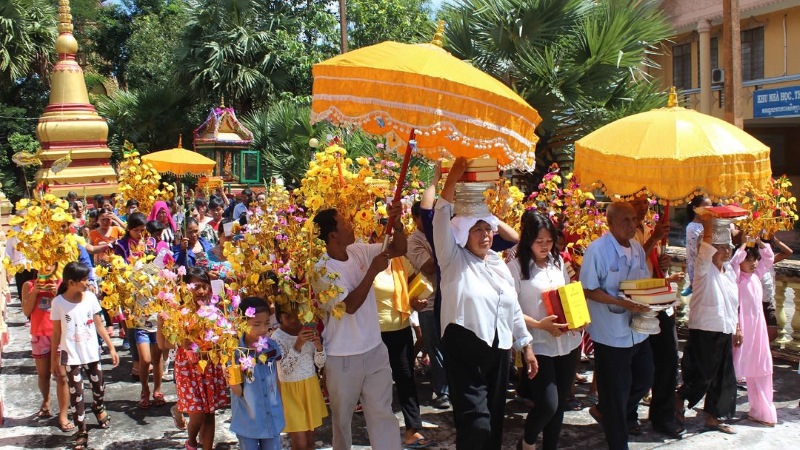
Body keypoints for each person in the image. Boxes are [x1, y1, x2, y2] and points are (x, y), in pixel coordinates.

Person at [434, 157, 536, 450]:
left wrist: (525, 345)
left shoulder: (497, 262)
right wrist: (452, 177)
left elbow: (512, 305)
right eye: (477, 230)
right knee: (475, 423)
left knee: (493, 423)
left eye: (488, 229)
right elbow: (441, 216)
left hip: (499, 348)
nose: (485, 235)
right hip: (464, 345)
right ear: (463, 234)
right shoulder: (452, 259)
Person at [310, 203, 406, 450]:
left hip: (374, 349)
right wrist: (372, 272)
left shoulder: (359, 250)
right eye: (344, 221)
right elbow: (348, 307)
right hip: (342, 358)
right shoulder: (321, 271)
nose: (350, 222)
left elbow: (398, 248)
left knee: (383, 414)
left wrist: (396, 225)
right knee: (342, 423)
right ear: (333, 234)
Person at [579, 202, 653, 450]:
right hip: (610, 332)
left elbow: (641, 284)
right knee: (616, 392)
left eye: (634, 219)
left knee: (644, 379)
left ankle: (606, 411)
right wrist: (620, 302)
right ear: (610, 223)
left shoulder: (637, 248)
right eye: (626, 221)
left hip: (636, 329)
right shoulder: (597, 250)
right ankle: (618, 442)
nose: (632, 225)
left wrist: (658, 296)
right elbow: (588, 289)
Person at [507, 211, 580, 450]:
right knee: (548, 403)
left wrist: (578, 317)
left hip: (566, 341)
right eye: (540, 241)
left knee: (559, 406)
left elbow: (569, 294)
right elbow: (510, 310)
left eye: (549, 241)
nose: (545, 246)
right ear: (528, 239)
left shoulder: (558, 262)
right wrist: (540, 325)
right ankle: (527, 442)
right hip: (537, 344)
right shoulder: (515, 268)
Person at [676, 212, 739, 434]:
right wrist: (709, 226)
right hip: (705, 329)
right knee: (700, 376)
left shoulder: (729, 272)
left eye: (729, 247)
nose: (727, 251)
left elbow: (733, 302)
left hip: (724, 328)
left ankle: (714, 416)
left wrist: (737, 327)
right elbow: (705, 249)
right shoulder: (703, 269)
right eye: (721, 247)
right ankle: (678, 400)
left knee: (723, 376)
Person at [629, 196, 686, 439]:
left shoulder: (651, 229)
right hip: (637, 302)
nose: (642, 208)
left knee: (669, 359)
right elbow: (632, 263)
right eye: (636, 203)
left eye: (645, 203)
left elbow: (654, 262)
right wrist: (653, 240)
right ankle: (626, 413)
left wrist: (663, 260)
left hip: (659, 300)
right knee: (638, 364)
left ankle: (663, 416)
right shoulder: (623, 234)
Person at [50, 262, 119, 450]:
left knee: (99, 386)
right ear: (71, 282)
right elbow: (56, 333)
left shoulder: (90, 298)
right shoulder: (58, 303)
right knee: (77, 394)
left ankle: (98, 406)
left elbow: (99, 325)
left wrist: (111, 348)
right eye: (84, 280)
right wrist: (54, 360)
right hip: (70, 356)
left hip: (91, 353)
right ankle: (81, 429)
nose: (88, 283)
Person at [157, 267, 227, 450]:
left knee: (209, 413)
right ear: (185, 288)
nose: (201, 291)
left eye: (204, 286)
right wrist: (180, 342)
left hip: (210, 367)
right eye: (196, 286)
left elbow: (224, 341)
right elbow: (164, 344)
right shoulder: (179, 314)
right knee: (197, 413)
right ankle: (192, 441)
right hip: (187, 369)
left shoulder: (216, 313)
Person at [373, 251, 430, 448]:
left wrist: (417, 302)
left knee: (405, 379)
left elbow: (415, 286)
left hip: (401, 329)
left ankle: (412, 430)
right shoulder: (367, 262)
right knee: (378, 384)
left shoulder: (401, 261)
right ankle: (380, 432)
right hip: (374, 334)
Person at [114, 213, 165, 409]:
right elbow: (118, 276)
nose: (140, 235)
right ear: (129, 229)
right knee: (144, 358)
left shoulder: (151, 246)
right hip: (136, 308)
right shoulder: (120, 248)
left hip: (154, 305)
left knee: (158, 356)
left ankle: (157, 389)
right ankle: (144, 389)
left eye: (143, 231)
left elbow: (160, 272)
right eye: (136, 231)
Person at [407, 201, 449, 409]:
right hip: (429, 302)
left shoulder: (443, 231)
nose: (431, 220)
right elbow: (429, 267)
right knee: (435, 347)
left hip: (450, 298)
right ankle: (441, 390)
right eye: (425, 216)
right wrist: (445, 245)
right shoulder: (413, 241)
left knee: (451, 345)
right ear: (415, 219)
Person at [229, 297, 285, 450]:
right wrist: (230, 376)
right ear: (242, 323)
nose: (263, 329)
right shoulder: (235, 353)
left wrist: (279, 405)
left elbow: (276, 378)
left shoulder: (271, 346)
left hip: (271, 415)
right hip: (248, 418)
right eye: (257, 324)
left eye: (267, 323)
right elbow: (239, 392)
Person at [731, 240, 777, 426]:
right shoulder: (736, 278)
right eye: (749, 260)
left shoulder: (756, 275)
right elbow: (734, 262)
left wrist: (758, 241)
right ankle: (718, 409)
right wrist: (744, 244)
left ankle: (761, 410)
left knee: (762, 369)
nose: (754, 263)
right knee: (734, 369)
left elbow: (769, 258)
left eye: (755, 259)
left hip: (758, 331)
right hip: (743, 330)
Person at [272, 304, 328, 450]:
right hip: (290, 392)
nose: (293, 320)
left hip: (310, 387)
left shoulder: (309, 330)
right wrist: (298, 344)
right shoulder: (277, 337)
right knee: (300, 443)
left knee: (310, 441)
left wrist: (319, 347)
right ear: (279, 316)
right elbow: (284, 369)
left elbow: (320, 364)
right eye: (287, 315)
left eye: (296, 314)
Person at [21, 269, 71, 431]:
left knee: (61, 375)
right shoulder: (28, 284)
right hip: (39, 334)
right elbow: (26, 312)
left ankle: (63, 414)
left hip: (60, 335)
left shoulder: (63, 283)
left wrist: (58, 294)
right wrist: (35, 291)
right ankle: (46, 400)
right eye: (43, 264)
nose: (47, 268)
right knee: (43, 375)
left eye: (51, 263)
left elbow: (69, 309)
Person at [761, 235, 792, 341]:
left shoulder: (770, 261)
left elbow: (788, 252)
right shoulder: (753, 262)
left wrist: (775, 240)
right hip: (755, 303)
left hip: (768, 303)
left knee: (772, 334)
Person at [683, 196, 711, 296]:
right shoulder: (692, 227)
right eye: (705, 206)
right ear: (695, 208)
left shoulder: (710, 225)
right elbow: (696, 252)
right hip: (699, 270)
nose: (708, 209)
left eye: (710, 206)